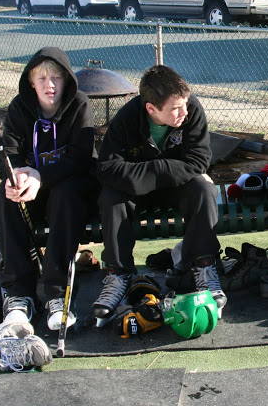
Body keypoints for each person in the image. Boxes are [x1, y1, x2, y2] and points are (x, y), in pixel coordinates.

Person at [94, 65, 226, 324]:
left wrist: (156, 169)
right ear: (151, 109)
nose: (184, 112)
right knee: (111, 197)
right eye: (175, 108)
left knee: (203, 188)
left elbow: (199, 161)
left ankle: (203, 267)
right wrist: (157, 170)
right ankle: (118, 275)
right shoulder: (127, 118)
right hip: (136, 191)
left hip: (176, 187)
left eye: (185, 104)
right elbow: (108, 168)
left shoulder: (191, 110)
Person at [0, 46, 98, 334]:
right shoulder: (19, 108)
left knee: (66, 195)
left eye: (56, 78)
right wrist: (16, 176)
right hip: (33, 190)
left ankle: (57, 295)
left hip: (71, 187)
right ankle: (19, 295)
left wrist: (40, 175)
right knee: (6, 198)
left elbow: (81, 159)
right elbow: (7, 155)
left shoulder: (79, 104)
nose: (49, 85)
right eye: (42, 78)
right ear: (31, 82)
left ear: (66, 79)